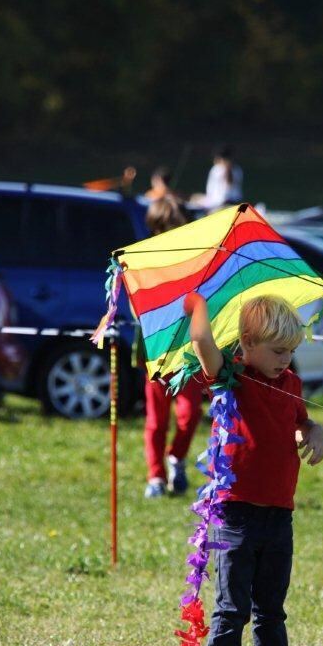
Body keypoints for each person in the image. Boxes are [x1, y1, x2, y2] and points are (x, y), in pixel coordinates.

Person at [184, 292, 323, 646]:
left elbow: (301, 421)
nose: (286, 359)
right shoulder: (232, 377)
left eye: (291, 351)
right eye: (278, 350)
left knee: (271, 609)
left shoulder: (292, 384)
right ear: (247, 343)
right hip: (235, 514)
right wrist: (199, 312)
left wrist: (313, 431)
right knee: (232, 607)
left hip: (279, 514)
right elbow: (204, 347)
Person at [138, 197, 203, 498]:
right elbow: (137, 305)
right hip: (156, 353)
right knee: (156, 419)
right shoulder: (144, 262)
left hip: (187, 353)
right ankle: (156, 476)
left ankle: (176, 457)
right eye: (166, 229)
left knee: (190, 414)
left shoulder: (192, 262)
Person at [190, 145, 243, 211]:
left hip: (219, 202)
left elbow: (227, 186)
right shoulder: (238, 169)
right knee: (195, 197)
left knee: (193, 199)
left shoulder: (217, 169)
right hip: (235, 200)